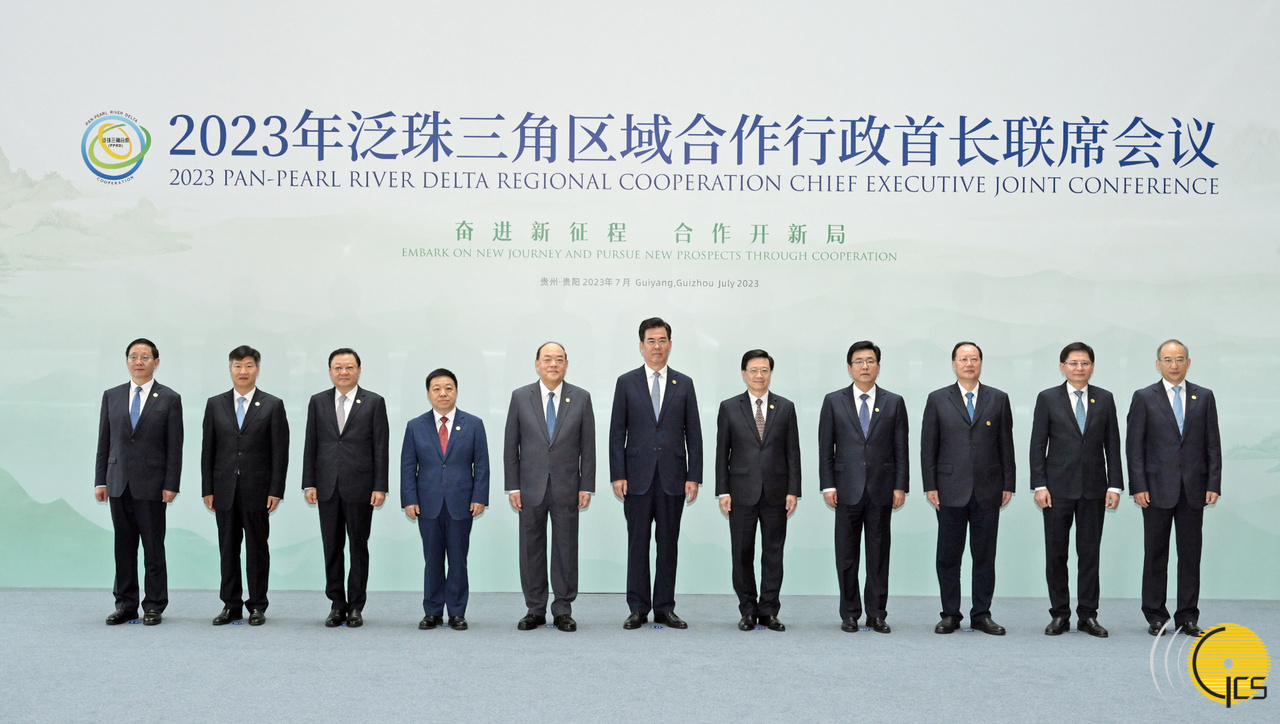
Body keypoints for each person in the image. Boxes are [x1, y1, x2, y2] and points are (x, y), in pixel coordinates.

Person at [609, 317, 703, 630]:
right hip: (636, 478)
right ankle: (637, 608)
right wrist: (617, 474)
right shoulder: (626, 382)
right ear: (641, 346)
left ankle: (664, 607)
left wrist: (694, 475)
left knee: (668, 544)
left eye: (662, 340)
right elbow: (617, 432)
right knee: (637, 544)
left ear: (670, 345)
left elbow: (694, 434)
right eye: (651, 340)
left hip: (673, 478)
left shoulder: (684, 383)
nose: (657, 346)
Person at [920, 341, 1015, 636]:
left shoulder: (998, 398)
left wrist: (1008, 483)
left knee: (984, 556)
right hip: (949, 489)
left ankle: (982, 614)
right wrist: (930, 485)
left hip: (989, 488)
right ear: (954, 364)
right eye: (963, 359)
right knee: (948, 557)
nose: (969, 363)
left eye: (974, 358)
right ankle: (950, 614)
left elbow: (1006, 444)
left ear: (981, 363)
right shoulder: (938, 399)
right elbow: (928, 446)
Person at [1127, 339, 1221, 637]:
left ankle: (1187, 616)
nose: (1174, 365)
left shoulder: (1204, 397)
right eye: (1168, 359)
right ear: (1158, 364)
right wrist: (1138, 485)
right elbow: (1134, 447)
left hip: (1194, 489)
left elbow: (1213, 444)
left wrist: (1213, 483)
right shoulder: (1144, 397)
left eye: (1180, 359)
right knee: (1156, 554)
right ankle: (1156, 615)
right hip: (1155, 490)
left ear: (1188, 363)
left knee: (1190, 555)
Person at [1028, 342, 1122, 638]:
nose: (1079, 368)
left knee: (1089, 554)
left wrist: (1115, 485)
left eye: (1084, 363)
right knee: (1056, 554)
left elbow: (1113, 445)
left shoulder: (1104, 398)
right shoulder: (1047, 398)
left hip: (1094, 488)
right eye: (1073, 363)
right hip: (1056, 490)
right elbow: (1037, 444)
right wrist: (1039, 484)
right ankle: (1059, 614)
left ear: (1092, 367)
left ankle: (1088, 615)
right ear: (1063, 367)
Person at [818, 341, 908, 634]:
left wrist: (900, 486)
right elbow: (825, 448)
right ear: (849, 367)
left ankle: (877, 614)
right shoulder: (834, 401)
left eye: (870, 361)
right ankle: (849, 613)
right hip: (845, 489)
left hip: (882, 488)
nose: (865, 366)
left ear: (879, 367)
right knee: (846, 555)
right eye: (859, 361)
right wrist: (827, 485)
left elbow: (901, 448)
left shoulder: (894, 402)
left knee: (879, 554)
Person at [504, 343, 594, 632]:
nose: (553, 364)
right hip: (530, 487)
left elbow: (588, 446)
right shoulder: (520, 397)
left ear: (566, 364)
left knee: (566, 549)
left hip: (568, 486)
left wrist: (586, 485)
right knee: (531, 548)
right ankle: (535, 608)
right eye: (547, 359)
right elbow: (511, 445)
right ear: (537, 364)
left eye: (559, 359)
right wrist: (513, 486)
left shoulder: (581, 398)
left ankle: (563, 609)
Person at [95, 338, 183, 626]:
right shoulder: (112, 396)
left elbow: (175, 447)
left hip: (153, 485)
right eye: (133, 356)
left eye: (145, 357)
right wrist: (100, 480)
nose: (139, 361)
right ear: (127, 362)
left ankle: (154, 605)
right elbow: (104, 441)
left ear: (156, 362)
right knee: (123, 547)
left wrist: (171, 484)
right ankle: (125, 604)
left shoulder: (169, 398)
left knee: (153, 548)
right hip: (118, 482)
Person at [200, 345, 290, 627]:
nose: (243, 371)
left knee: (257, 549)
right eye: (238, 366)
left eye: (249, 365)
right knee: (227, 549)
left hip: (258, 490)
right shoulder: (215, 404)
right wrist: (207, 489)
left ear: (257, 369)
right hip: (224, 489)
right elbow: (207, 449)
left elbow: (280, 452)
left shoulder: (272, 404)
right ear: (230, 369)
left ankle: (257, 605)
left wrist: (276, 490)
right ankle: (231, 605)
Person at [302, 348, 389, 628]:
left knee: (358, 547)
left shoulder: (374, 402)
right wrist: (309, 482)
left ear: (359, 370)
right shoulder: (318, 401)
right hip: (327, 486)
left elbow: (381, 447)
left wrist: (380, 486)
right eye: (338, 367)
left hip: (361, 487)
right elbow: (311, 443)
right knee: (332, 546)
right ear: (330, 371)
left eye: (349, 367)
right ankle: (337, 604)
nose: (344, 372)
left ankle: (356, 606)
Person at [715, 349, 801, 631]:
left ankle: (769, 610)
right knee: (742, 553)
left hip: (777, 492)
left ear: (770, 373)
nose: (759, 375)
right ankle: (748, 610)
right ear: (744, 374)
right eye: (753, 370)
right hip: (740, 493)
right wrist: (723, 491)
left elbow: (793, 453)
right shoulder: (729, 407)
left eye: (764, 370)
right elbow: (722, 453)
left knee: (773, 553)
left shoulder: (785, 407)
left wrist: (793, 490)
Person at [402, 369, 490, 631]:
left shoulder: (473, 424)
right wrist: (409, 499)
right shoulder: (415, 425)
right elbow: (408, 466)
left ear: (456, 392)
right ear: (429, 393)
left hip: (461, 503)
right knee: (432, 560)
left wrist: (480, 497)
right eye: (437, 388)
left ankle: (457, 612)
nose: (443, 393)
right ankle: (432, 611)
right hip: (427, 503)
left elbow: (481, 465)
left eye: (449, 388)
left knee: (458, 560)